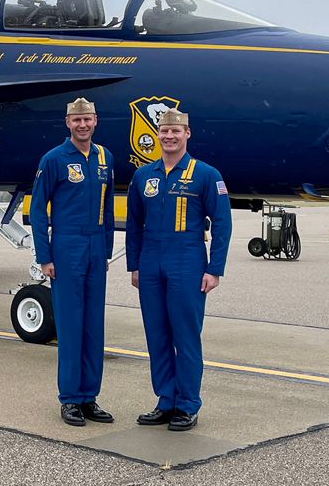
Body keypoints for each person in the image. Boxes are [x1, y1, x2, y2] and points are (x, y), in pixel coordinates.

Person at [125, 108, 231, 432]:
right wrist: (135, 265)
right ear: (158, 134)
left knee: (185, 336)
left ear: (188, 134)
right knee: (157, 335)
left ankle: (187, 404)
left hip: (187, 259)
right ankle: (165, 401)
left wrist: (214, 270)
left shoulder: (206, 175)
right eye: (164, 131)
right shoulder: (144, 175)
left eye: (176, 131)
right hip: (151, 261)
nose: (169, 136)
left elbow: (223, 224)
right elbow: (133, 223)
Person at [30, 97, 116, 427]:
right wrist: (45, 256)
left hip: (96, 248)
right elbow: (38, 211)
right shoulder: (53, 159)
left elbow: (107, 209)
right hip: (66, 246)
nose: (82, 125)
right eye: (76, 120)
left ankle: (90, 397)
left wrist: (106, 250)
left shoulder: (105, 157)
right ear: (68, 123)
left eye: (88, 120)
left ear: (96, 121)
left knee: (94, 325)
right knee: (70, 324)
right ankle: (69, 399)